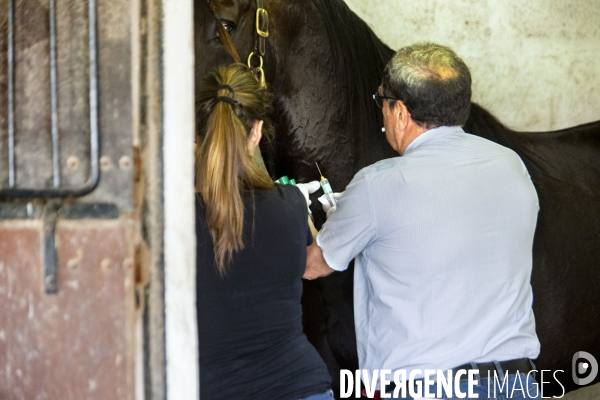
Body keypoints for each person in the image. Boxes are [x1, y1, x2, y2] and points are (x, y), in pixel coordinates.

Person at [304, 43, 541, 399]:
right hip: (515, 383)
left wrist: (288, 213)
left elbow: (314, 266)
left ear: (399, 112)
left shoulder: (378, 182)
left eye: (381, 101)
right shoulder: (512, 165)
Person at [195, 63, 332, 400]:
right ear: (256, 132)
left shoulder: (171, 220)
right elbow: (307, 263)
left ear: (194, 134)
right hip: (304, 387)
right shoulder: (290, 205)